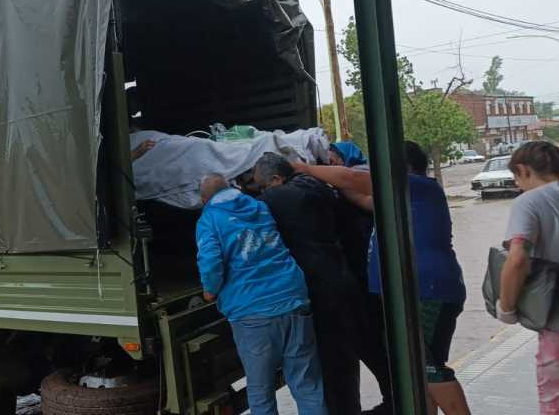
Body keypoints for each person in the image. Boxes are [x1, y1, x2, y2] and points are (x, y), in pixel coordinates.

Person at [294, 141, 471, 415]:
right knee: (417, 371)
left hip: (427, 291)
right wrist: (336, 184)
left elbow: (352, 178)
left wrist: (304, 168)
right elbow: (362, 197)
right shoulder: (403, 197)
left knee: (428, 367)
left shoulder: (418, 186)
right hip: (419, 292)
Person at [196, 174, 328, 415]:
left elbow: (211, 261)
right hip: (292, 296)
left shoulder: (210, 218)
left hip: (252, 311)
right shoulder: (258, 206)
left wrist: (210, 291)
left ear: (204, 199)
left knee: (260, 391)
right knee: (307, 384)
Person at [252, 153, 362, 415]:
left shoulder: (279, 198)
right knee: (345, 362)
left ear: (277, 179)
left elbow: (247, 208)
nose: (263, 192)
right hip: (340, 277)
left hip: (319, 289)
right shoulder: (315, 185)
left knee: (327, 365)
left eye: (264, 186)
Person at [495, 141, 559, 414]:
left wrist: (507, 307)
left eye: (517, 177)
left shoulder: (530, 201)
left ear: (524, 170)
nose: (517, 185)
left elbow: (517, 259)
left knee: (557, 401)